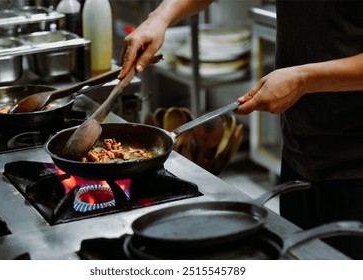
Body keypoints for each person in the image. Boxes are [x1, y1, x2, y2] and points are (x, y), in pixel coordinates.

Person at [118, 0, 363, 259]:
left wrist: (304, 80)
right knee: (305, 259)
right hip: (300, 149)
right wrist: (159, 17)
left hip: (356, 163)